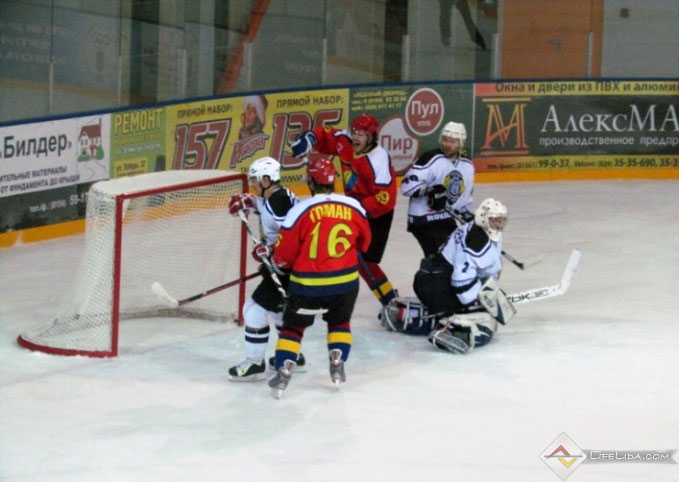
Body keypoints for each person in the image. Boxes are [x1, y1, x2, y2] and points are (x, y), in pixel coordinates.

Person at [267, 158, 372, 398]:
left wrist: (278, 259)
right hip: (345, 284)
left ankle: (284, 369)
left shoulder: (300, 210)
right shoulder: (354, 206)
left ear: (311, 182)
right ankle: (337, 359)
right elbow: (365, 243)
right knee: (339, 322)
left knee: (293, 328)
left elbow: (284, 256)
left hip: (308, 286)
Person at [380, 198, 515, 354]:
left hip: (427, 279)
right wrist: (482, 300)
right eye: (494, 220)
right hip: (438, 289)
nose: (498, 225)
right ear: (483, 218)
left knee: (465, 304)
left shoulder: (472, 227)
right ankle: (451, 331)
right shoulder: (477, 244)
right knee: (486, 320)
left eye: (501, 220)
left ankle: (404, 314)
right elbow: (460, 283)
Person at [290, 114, 397, 307]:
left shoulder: (378, 160)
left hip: (376, 215)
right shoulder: (345, 140)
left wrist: (355, 208)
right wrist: (309, 139)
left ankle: (390, 300)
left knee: (365, 261)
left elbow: (385, 200)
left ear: (372, 137)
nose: (356, 137)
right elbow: (326, 136)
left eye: (362, 134)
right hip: (352, 208)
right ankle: (327, 292)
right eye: (354, 132)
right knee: (336, 249)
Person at [227, 156, 301, 381]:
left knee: (253, 311)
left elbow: (294, 236)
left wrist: (269, 249)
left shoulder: (280, 202)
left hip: (286, 268)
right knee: (279, 311)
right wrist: (249, 202)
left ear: (266, 180)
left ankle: (255, 362)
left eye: (255, 180)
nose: (252, 184)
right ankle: (293, 355)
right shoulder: (277, 197)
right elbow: (264, 207)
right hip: (287, 266)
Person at [400, 121, 474, 257]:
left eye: (452, 141)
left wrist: (468, 217)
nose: (447, 144)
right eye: (445, 140)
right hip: (422, 218)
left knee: (457, 255)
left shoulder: (467, 166)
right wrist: (429, 191)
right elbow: (406, 186)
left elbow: (464, 200)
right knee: (441, 258)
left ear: (461, 143)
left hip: (446, 218)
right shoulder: (431, 158)